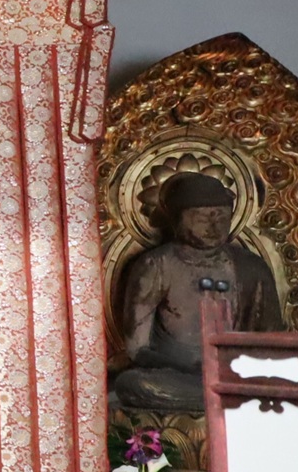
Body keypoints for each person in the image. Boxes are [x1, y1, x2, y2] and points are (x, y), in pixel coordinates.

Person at [111, 172, 284, 412]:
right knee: (131, 383)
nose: (214, 226)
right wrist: (192, 368)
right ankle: (229, 399)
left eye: (222, 217)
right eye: (201, 217)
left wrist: (241, 368)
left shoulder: (251, 267)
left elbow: (273, 340)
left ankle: (231, 395)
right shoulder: (156, 265)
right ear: (177, 219)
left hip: (237, 373)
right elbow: (137, 349)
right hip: (178, 376)